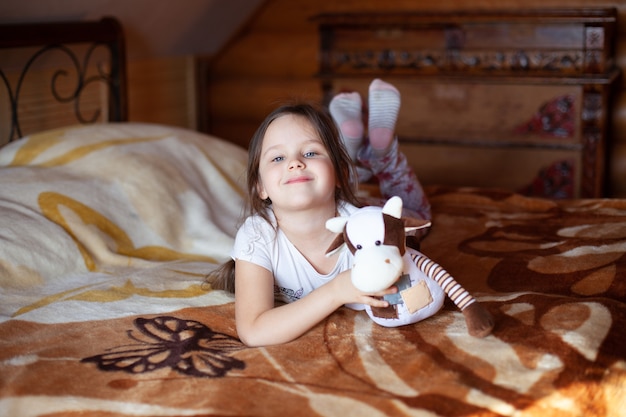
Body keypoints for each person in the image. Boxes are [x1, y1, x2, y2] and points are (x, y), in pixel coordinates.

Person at [207, 79, 430, 347]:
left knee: (417, 215)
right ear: (260, 187)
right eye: (278, 158)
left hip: (368, 208)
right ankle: (351, 146)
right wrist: (336, 291)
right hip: (349, 194)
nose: (295, 163)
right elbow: (254, 330)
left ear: (338, 177)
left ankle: (382, 155)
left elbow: (410, 291)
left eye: (311, 152)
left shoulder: (369, 229)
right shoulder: (258, 235)